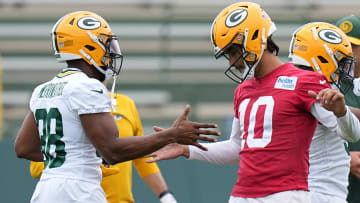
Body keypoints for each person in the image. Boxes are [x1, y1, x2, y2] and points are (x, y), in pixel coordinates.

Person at [145, 2, 360, 202]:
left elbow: (351, 134)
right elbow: (239, 147)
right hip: (242, 194)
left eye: (232, 51)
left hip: (288, 194)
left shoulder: (304, 81)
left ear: (254, 39)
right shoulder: (243, 91)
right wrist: (187, 150)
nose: (231, 61)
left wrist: (341, 112)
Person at [14, 11, 220, 203]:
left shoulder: (43, 89)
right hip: (79, 192)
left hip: (45, 191)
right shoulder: (87, 87)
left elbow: (23, 148)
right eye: (105, 45)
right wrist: (171, 135)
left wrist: (72, 155)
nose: (109, 54)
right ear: (88, 47)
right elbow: (112, 152)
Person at [29, 92, 178, 203]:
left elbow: (140, 156)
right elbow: (36, 167)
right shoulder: (65, 105)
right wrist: (84, 161)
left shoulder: (125, 103)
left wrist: (164, 194)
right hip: (80, 197)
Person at [288, 21, 360, 203]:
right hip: (323, 189)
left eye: (354, 47)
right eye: (341, 56)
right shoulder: (315, 87)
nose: (347, 57)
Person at [336, 15, 360, 203]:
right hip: (337, 190)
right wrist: (344, 159)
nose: (345, 53)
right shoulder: (325, 84)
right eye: (340, 47)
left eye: (352, 47)